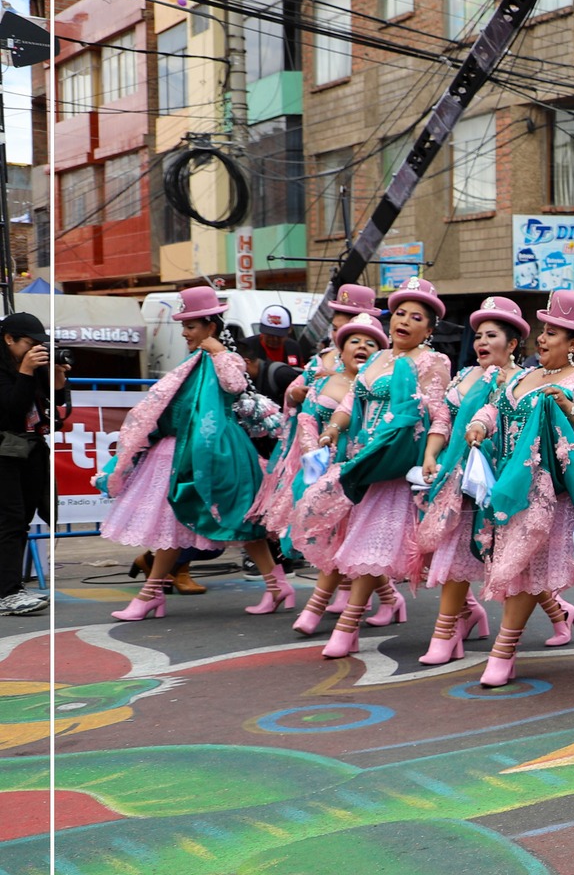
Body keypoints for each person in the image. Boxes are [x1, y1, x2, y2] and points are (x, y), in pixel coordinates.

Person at [99, 285, 289, 620]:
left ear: (210, 327)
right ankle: (152, 594)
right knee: (175, 522)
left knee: (240, 523)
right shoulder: (195, 359)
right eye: (184, 326)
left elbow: (235, 385)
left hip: (216, 452)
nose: (185, 332)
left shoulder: (223, 358)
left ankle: (275, 587)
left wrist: (218, 351)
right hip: (184, 449)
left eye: (190, 326)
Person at [459, 289, 574, 687]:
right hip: (518, 490)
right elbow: (495, 407)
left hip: (563, 497)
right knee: (525, 572)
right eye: (542, 331)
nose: (540, 339)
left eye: (551, 333)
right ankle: (504, 653)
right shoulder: (524, 375)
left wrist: (570, 409)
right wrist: (479, 424)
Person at [297, 278, 457, 653]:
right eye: (399, 313)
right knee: (367, 543)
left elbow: (440, 414)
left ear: (429, 330)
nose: (404, 321)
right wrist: (332, 430)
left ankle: (347, 629)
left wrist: (430, 455)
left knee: (383, 547)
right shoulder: (376, 358)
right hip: (365, 462)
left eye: (416, 317)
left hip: (400, 465)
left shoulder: (432, 362)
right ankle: (465, 614)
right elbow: (350, 403)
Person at [412, 297, 529, 665]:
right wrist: (431, 454)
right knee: (455, 558)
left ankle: (564, 616)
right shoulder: (464, 377)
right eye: (478, 336)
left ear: (512, 343)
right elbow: (443, 420)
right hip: (457, 480)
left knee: (519, 568)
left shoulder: (522, 381)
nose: (482, 342)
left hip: (498, 484)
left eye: (491, 335)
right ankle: (446, 634)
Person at [281, 318, 383, 633]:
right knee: (335, 540)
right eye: (355, 341)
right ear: (341, 349)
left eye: (371, 343)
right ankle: (391, 599)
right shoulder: (324, 382)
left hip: (361, 474)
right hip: (322, 469)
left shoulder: (376, 388)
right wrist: (314, 459)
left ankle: (314, 609)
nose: (362, 347)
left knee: (348, 541)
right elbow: (307, 420)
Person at [0, 312, 59, 614]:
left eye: (40, 344)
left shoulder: (34, 367)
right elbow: (11, 410)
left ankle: (12, 588)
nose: (36, 349)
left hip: (31, 449)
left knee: (22, 520)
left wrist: (57, 378)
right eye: (30, 343)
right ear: (8, 339)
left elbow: (54, 408)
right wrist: (25, 371)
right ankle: (7, 593)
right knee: (10, 520)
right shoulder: (9, 368)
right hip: (4, 453)